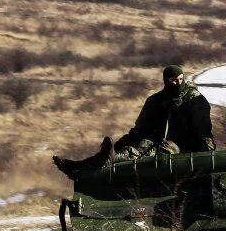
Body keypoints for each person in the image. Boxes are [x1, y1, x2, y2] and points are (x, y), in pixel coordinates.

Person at [53, 65, 213, 178]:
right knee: (130, 146)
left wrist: (209, 156)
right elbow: (141, 128)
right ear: (166, 81)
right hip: (156, 139)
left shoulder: (195, 100)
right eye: (174, 80)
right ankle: (78, 166)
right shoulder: (155, 101)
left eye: (180, 79)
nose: (178, 83)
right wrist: (124, 141)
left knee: (152, 151)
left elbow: (203, 131)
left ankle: (111, 159)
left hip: (183, 145)